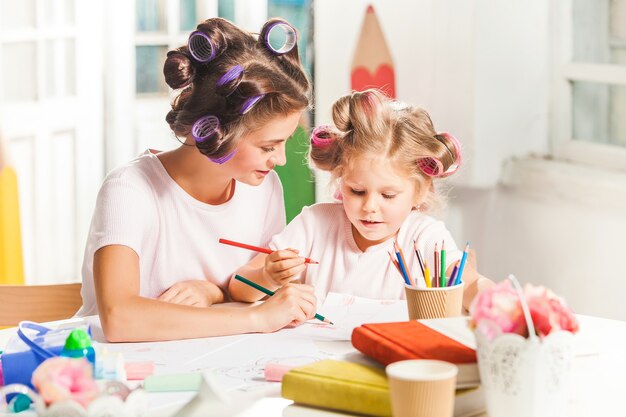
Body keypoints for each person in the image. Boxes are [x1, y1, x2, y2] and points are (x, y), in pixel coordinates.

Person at [77, 17, 317, 342]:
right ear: (218, 131)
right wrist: (258, 317)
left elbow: (244, 288)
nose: (280, 160)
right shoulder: (130, 190)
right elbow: (120, 318)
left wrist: (214, 293)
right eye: (268, 146)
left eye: (284, 142)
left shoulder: (264, 187)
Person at [230, 89, 494, 310]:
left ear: (421, 192)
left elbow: (471, 284)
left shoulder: (425, 237)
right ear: (340, 179)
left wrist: (499, 303)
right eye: (357, 191)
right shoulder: (314, 224)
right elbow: (238, 286)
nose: (369, 206)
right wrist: (267, 276)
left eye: (388, 195)